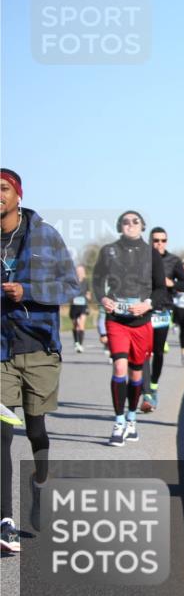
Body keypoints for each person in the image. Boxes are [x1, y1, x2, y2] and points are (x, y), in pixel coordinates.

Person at [0, 168, 79, 551]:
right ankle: (5, 520)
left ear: (18, 195)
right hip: (0, 350)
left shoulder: (45, 235)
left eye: (2, 189)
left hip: (38, 346)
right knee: (1, 434)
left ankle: (41, 482)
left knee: (36, 430)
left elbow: (70, 286)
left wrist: (26, 291)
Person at [93, 210, 165, 447]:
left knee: (136, 375)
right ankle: (118, 421)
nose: (130, 225)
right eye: (126, 222)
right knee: (119, 366)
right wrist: (103, 299)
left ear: (142, 227)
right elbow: (96, 280)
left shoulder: (152, 254)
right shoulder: (109, 251)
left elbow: (160, 289)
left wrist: (147, 304)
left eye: (135, 222)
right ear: (119, 226)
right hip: (116, 320)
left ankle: (132, 418)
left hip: (141, 322)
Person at [141, 227, 184, 412]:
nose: (159, 244)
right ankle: (146, 393)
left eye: (163, 240)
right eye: (155, 240)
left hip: (163, 311)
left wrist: (172, 283)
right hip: (144, 310)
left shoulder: (173, 260)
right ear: (150, 241)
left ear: (166, 242)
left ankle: (153, 385)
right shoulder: (142, 259)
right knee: (144, 351)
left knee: (158, 352)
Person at [69, 265, 91, 353]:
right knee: (75, 325)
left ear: (84, 272)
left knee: (81, 324)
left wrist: (88, 297)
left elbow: (89, 294)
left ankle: (80, 345)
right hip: (74, 306)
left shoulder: (86, 281)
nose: (79, 272)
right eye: (78, 271)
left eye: (81, 271)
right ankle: (76, 342)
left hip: (83, 305)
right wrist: (71, 298)